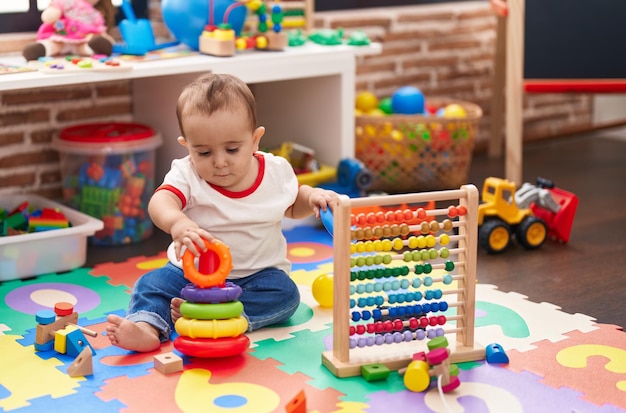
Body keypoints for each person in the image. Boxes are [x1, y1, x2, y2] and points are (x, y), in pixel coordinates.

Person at [106, 73, 340, 352]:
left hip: (256, 277)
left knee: (287, 295)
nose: (219, 162)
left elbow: (291, 204)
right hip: (189, 274)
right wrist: (177, 222)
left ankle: (228, 317)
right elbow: (161, 201)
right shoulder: (186, 173)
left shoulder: (275, 171)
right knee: (150, 284)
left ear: (255, 140)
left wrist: (312, 197)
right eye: (203, 152)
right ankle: (149, 325)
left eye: (232, 149)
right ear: (187, 145)